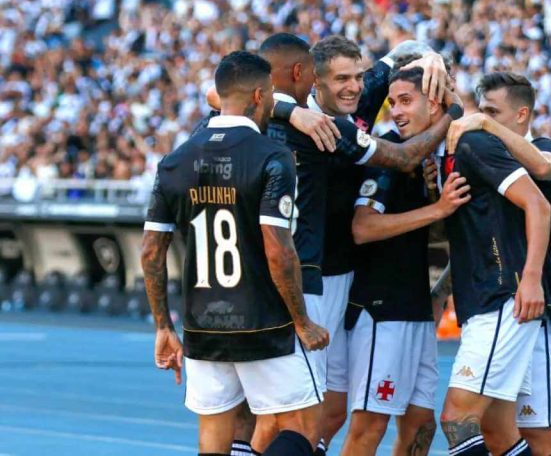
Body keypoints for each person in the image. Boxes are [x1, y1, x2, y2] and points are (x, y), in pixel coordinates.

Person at [204, 35, 455, 456]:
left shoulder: (354, 96)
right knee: (289, 412)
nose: (354, 86)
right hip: (300, 280)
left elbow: (410, 46)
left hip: (341, 282)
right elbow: (216, 93)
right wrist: (292, 111)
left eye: (357, 76)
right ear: (310, 80)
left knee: (323, 411)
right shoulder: (286, 120)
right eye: (341, 79)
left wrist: (432, 58)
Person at [141, 50, 329, 456]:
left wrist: (162, 326)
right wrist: (302, 321)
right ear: (261, 96)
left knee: (213, 439)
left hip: (202, 324)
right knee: (302, 427)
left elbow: (151, 251)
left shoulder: (175, 161)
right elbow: (279, 250)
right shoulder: (271, 156)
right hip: (263, 320)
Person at [340, 55, 470, 456]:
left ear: (433, 103)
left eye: (404, 101)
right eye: (391, 102)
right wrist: (438, 207)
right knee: (369, 426)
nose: (395, 111)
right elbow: (362, 228)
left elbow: (431, 230)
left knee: (420, 425)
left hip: (413, 307)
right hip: (382, 309)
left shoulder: (432, 159)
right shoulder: (391, 152)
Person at [446, 72, 551, 456]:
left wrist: (482, 123)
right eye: (481, 110)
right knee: (498, 431)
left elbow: (545, 168)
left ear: (522, 115)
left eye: (493, 112)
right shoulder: (489, 160)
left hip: (541, 305)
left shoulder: (546, 147)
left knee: (540, 435)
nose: (482, 119)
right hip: (512, 302)